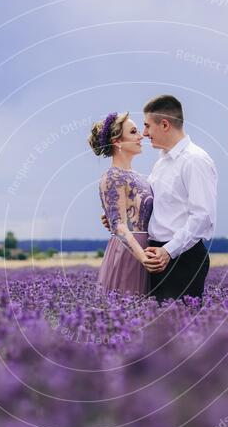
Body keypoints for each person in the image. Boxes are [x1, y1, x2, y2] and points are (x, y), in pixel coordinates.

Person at [101, 95, 217, 302]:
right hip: (155, 256)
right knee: (156, 328)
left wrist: (168, 251)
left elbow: (202, 216)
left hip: (181, 257)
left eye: (147, 126)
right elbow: (155, 206)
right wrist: (118, 215)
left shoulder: (194, 160)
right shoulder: (162, 162)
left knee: (178, 326)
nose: (144, 134)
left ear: (164, 124)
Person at [89, 112, 154, 295]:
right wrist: (144, 258)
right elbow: (118, 226)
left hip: (145, 249)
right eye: (133, 132)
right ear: (117, 142)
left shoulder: (139, 176)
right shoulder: (112, 176)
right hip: (129, 253)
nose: (141, 136)